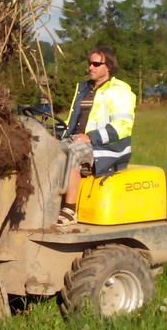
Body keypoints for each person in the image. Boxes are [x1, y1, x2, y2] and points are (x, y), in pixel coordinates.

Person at [55, 45, 136, 226]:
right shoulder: (83, 88)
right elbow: (73, 122)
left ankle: (69, 210)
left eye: (95, 64)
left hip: (105, 146)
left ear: (108, 66)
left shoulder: (120, 90)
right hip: (80, 139)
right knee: (47, 149)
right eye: (89, 63)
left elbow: (123, 127)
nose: (90, 67)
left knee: (73, 152)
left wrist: (91, 137)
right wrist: (58, 135)